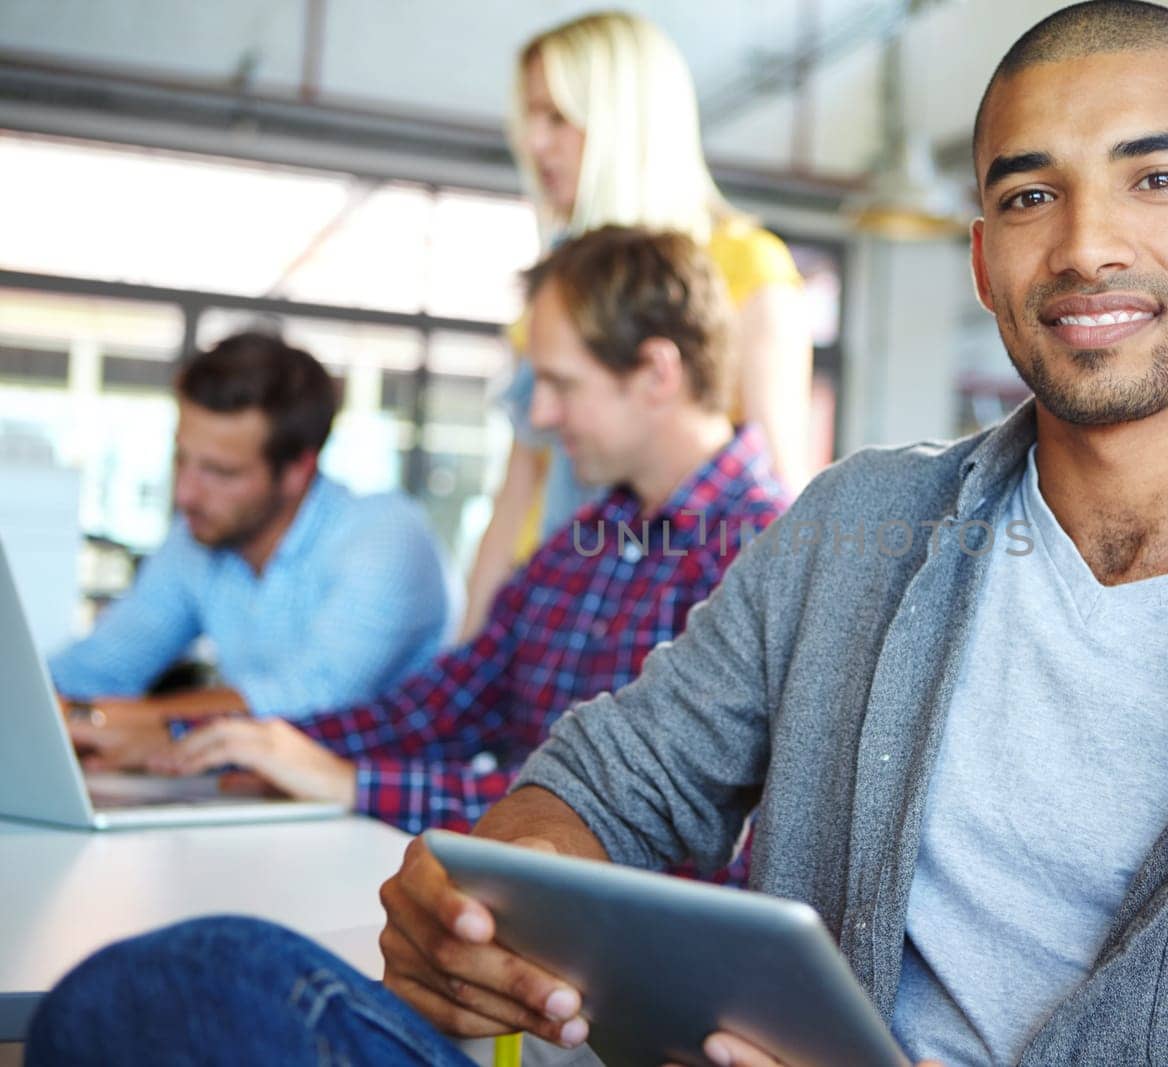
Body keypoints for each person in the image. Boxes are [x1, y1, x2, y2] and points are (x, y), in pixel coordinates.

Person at [28, 3, 1168, 1066]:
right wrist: (486, 894)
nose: (1088, 242)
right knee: (173, 987)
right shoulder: (859, 530)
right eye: (1027, 194)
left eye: (1159, 177)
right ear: (982, 258)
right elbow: (610, 778)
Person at [68, 227, 787, 844]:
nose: (540, 412)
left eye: (562, 384)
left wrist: (352, 783)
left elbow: (625, 813)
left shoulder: (765, 560)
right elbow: (438, 709)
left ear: (657, 371)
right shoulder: (587, 540)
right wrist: (223, 746)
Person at [458, 10, 814, 641]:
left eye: (558, 118)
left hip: (672, 621)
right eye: (531, 120)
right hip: (547, 607)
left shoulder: (747, 267)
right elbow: (515, 492)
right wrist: (471, 644)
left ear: (626, 119)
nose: (535, 145)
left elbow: (781, 496)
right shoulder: (549, 294)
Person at [49, 331, 451, 723]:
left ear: (297, 470)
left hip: (371, 786)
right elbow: (98, 666)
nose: (185, 494)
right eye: (181, 459)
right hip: (251, 785)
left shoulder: (384, 537)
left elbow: (313, 699)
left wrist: (108, 719)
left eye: (220, 472)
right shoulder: (198, 539)